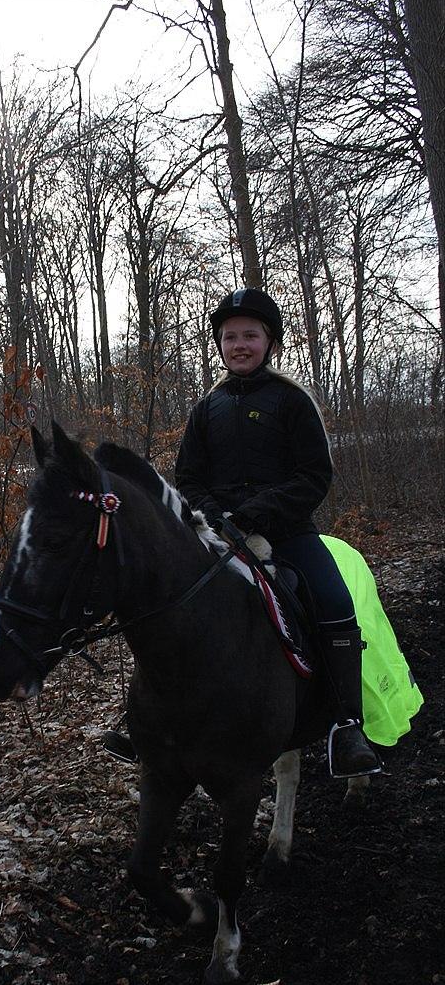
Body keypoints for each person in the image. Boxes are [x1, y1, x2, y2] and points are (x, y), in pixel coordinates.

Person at [103, 287, 381, 777]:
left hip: (287, 532)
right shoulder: (206, 408)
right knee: (164, 600)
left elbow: (314, 475)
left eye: (249, 335)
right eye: (230, 337)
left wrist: (256, 513)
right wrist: (212, 514)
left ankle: (346, 724)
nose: (239, 345)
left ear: (270, 341)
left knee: (335, 601)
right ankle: (148, 721)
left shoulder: (294, 401)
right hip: (216, 534)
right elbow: (189, 477)